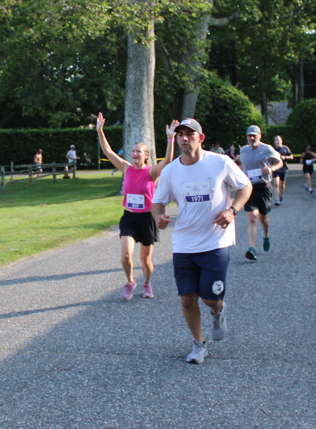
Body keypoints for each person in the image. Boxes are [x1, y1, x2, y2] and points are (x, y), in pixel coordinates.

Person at [152, 119, 251, 364]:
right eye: (180, 135)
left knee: (210, 298)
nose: (184, 138)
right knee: (187, 298)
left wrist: (232, 210)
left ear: (201, 138)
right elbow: (158, 202)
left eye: (190, 134)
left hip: (215, 242)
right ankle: (199, 344)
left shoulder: (220, 162)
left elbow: (245, 186)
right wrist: (158, 217)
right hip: (184, 243)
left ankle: (218, 310)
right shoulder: (171, 171)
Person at [96, 113, 179, 301]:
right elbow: (108, 151)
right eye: (133, 151)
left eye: (138, 151)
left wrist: (170, 139)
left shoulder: (152, 172)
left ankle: (147, 283)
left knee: (145, 260)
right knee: (126, 255)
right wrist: (100, 131)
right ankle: (130, 282)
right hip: (129, 217)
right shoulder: (126, 168)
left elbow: (168, 160)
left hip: (147, 219)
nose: (134, 154)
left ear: (146, 155)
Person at [238, 125, 283, 261]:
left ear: (259, 136)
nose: (252, 138)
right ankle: (252, 248)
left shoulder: (267, 149)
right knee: (252, 217)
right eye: (249, 136)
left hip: (264, 187)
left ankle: (266, 235)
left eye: (254, 135)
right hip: (249, 187)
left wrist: (271, 169)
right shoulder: (243, 150)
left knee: (263, 218)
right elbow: (243, 166)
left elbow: (280, 162)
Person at [272, 135, 293, 205]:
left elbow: (291, 157)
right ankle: (277, 199)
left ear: (281, 141)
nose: (277, 142)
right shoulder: (273, 149)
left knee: (282, 184)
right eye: (275, 140)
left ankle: (281, 196)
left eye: (278, 140)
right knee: (276, 184)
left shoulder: (285, 148)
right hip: (276, 168)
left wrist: (285, 157)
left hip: (284, 168)